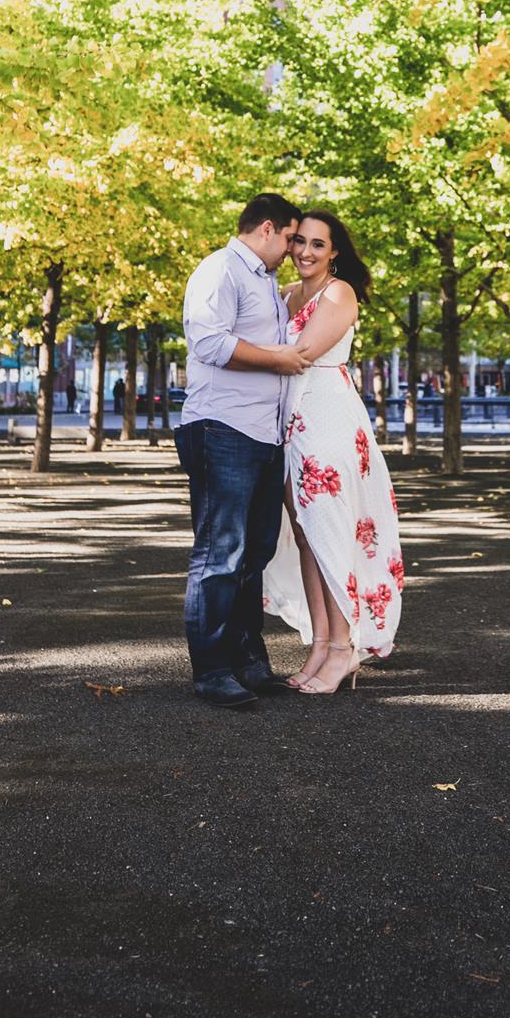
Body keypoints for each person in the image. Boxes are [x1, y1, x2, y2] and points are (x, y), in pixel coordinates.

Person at [175, 193, 307, 709]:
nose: (293, 249)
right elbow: (209, 344)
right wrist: (277, 359)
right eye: (291, 237)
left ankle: (248, 662)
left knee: (255, 553)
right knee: (220, 555)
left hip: (263, 434)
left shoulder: (266, 282)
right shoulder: (220, 270)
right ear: (268, 228)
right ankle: (211, 672)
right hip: (222, 428)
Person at [264, 210, 404, 694]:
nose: (305, 251)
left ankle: (344, 649)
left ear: (334, 251)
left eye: (318, 244)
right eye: (299, 241)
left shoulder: (338, 292)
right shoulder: (285, 294)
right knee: (306, 535)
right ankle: (320, 644)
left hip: (326, 419)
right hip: (289, 423)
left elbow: (301, 354)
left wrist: (233, 351)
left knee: (330, 533)